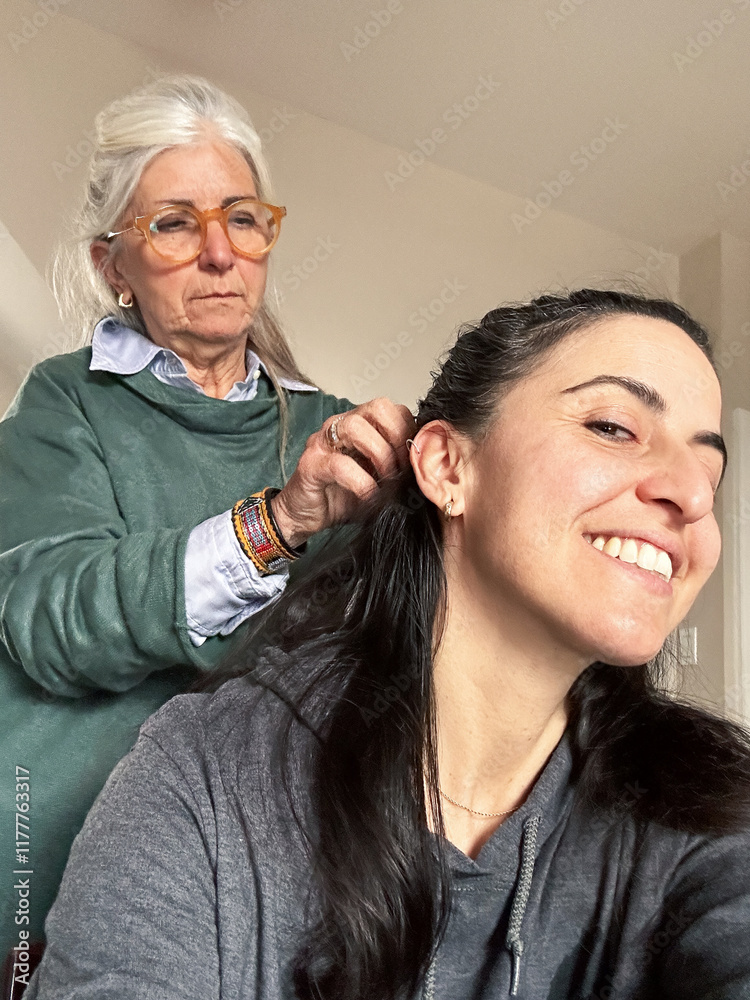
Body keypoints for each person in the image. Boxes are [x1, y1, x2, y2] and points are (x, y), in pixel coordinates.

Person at [23, 289, 750, 1000]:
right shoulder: (205, 780)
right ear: (445, 466)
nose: (689, 496)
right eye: (614, 427)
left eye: (710, 475)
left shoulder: (704, 818)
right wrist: (276, 520)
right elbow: (49, 619)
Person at [0, 74, 412, 959]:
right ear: (113, 261)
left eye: (243, 217)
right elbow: (49, 618)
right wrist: (275, 523)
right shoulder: (65, 402)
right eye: (176, 223)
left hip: (264, 873)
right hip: (50, 855)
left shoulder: (337, 435)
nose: (220, 253)